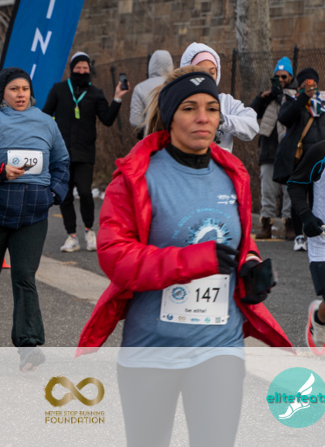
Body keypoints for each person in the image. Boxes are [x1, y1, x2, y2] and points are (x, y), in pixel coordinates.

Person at [78, 67, 290, 447]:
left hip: (220, 346)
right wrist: (195, 261)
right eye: (190, 108)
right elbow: (115, 257)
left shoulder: (233, 173)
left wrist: (250, 265)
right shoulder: (137, 176)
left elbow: (238, 241)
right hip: (152, 348)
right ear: (170, 116)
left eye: (211, 108)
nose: (203, 118)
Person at [0, 67, 69, 371]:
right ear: (2, 94)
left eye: (25, 89)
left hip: (33, 214)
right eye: (14, 89)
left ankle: (28, 346)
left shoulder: (46, 124)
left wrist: (54, 193)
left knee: (24, 275)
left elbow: (62, 162)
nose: (21, 94)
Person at [42, 51, 127, 253]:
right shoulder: (59, 89)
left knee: (85, 192)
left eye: (85, 68)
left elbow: (107, 119)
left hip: (85, 152)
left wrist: (117, 98)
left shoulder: (95, 93)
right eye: (78, 68)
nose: (81, 71)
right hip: (62, 152)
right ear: (72, 69)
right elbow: (46, 115)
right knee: (64, 195)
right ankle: (71, 236)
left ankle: (89, 231)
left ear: (90, 70)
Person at [286, 94, 325, 389]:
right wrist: (306, 216)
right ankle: (321, 320)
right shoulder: (324, 150)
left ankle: (320, 318)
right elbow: (296, 184)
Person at [276, 67, 325, 251]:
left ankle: (317, 231)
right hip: (301, 157)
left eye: (313, 82)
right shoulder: (294, 100)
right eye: (306, 83)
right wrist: (303, 97)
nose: (310, 85)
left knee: (318, 197)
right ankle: (299, 235)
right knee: (298, 193)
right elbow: (284, 118)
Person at [178, 42, 259, 152]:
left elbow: (252, 126)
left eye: (212, 72)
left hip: (219, 162)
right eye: (201, 72)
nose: (208, 78)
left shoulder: (226, 102)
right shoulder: (179, 102)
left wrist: (222, 121)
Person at [248, 57, 295, 239]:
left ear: (291, 77)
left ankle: (289, 223)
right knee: (267, 190)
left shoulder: (294, 96)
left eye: (284, 76)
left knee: (288, 190)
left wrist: (283, 97)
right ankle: (266, 223)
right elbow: (251, 113)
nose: (281, 80)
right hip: (268, 148)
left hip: (287, 149)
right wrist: (262, 98)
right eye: (277, 77)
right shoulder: (268, 98)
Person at [129, 50, 173, 133]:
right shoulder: (175, 84)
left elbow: (135, 121)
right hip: (174, 135)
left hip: (151, 135)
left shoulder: (140, 88)